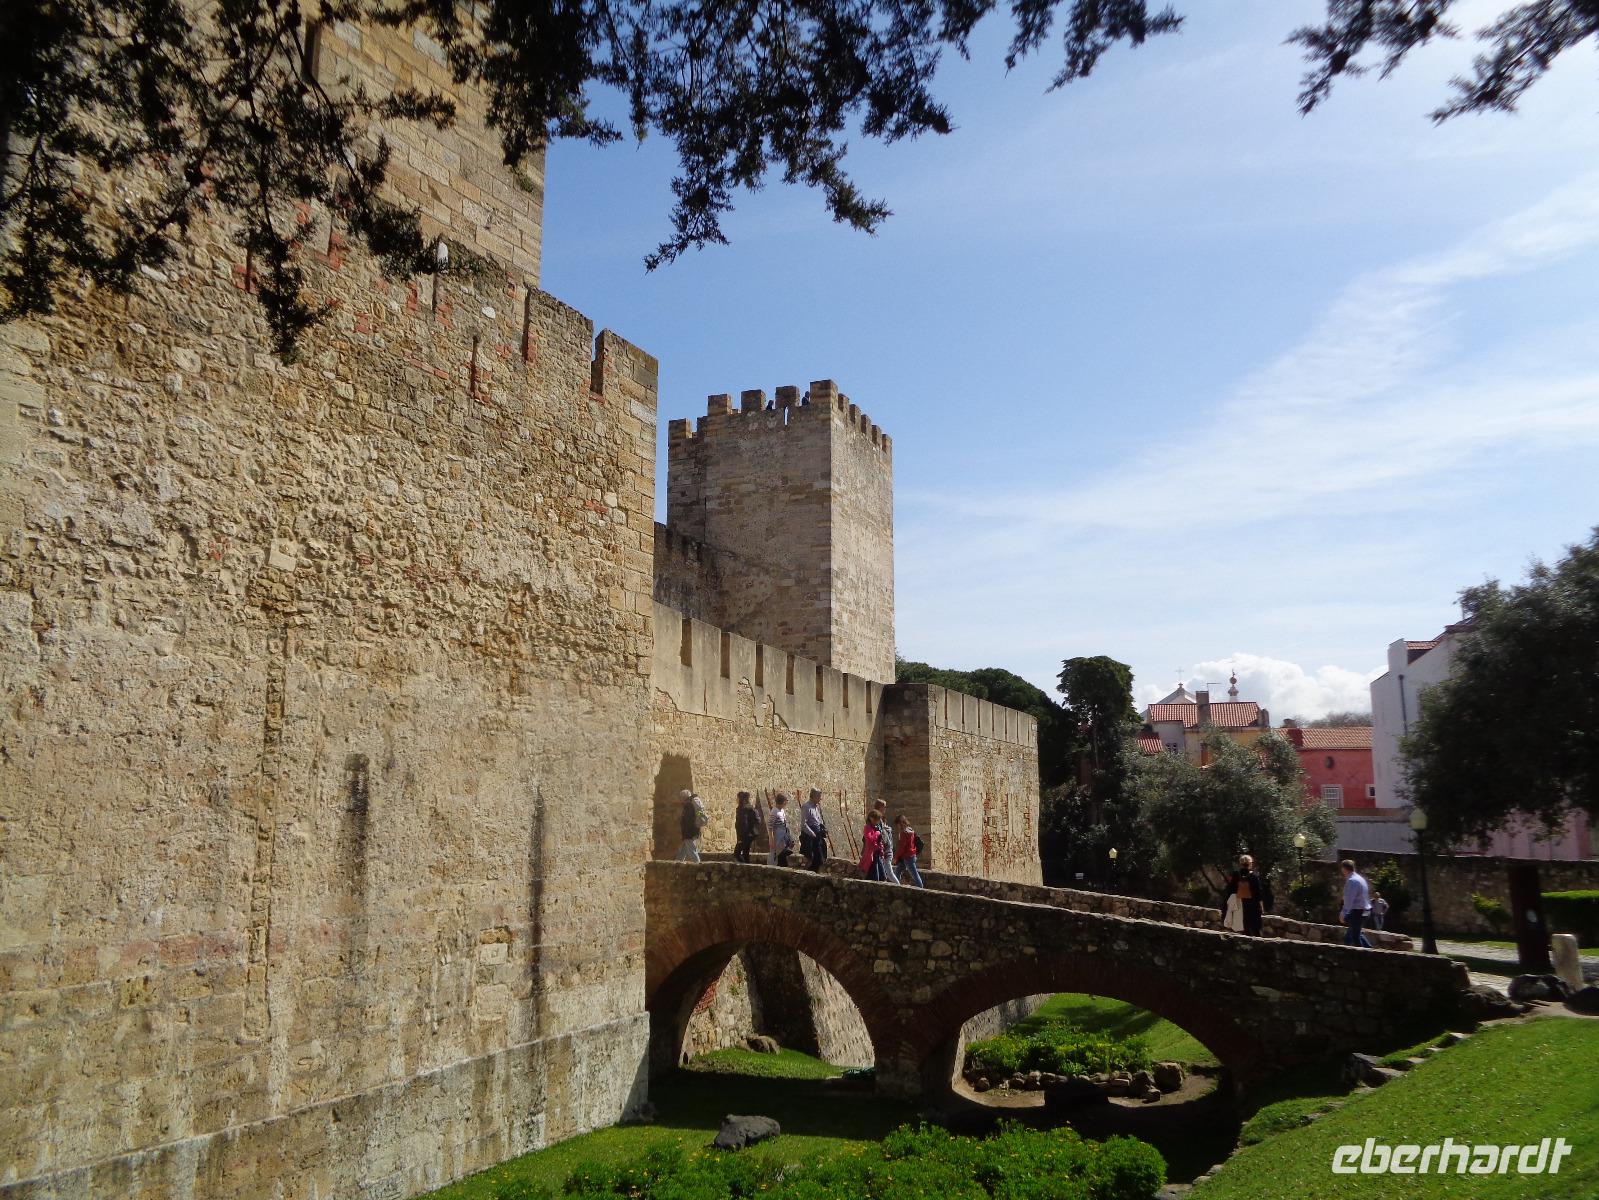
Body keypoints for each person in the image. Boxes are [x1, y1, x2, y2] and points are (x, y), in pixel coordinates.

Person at [1224, 854, 1265, 936]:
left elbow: (1230, 890)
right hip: (1252, 905)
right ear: (1250, 863)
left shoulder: (1236, 875)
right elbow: (1258, 893)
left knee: (1244, 929)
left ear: (1240, 863)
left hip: (1239, 905)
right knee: (1255, 929)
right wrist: (1262, 907)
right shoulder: (1253, 876)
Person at [1340, 859, 1373, 947]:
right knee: (1353, 935)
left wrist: (1343, 913)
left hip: (1357, 911)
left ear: (1344, 869)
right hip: (1365, 910)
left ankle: (1364, 956)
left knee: (1355, 937)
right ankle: (1370, 951)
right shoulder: (1360, 879)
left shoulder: (1352, 881)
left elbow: (1349, 899)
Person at [892, 814, 925, 888]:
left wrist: (896, 858)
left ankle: (921, 889)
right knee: (897, 871)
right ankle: (897, 887)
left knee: (914, 874)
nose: (897, 827)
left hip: (907, 857)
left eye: (898, 824)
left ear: (901, 823)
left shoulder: (904, 833)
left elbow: (902, 848)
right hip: (911, 855)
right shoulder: (910, 830)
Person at [675, 789, 708, 863]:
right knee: (683, 850)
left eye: (681, 798)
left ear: (684, 797)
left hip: (689, 832)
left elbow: (688, 820)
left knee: (692, 851)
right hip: (692, 831)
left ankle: (698, 866)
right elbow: (697, 815)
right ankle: (677, 865)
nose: (680, 800)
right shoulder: (691, 804)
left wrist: (686, 832)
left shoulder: (688, 805)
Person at [800, 789, 829, 871]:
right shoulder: (806, 807)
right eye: (819, 797)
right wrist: (812, 833)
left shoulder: (815, 807)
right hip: (810, 839)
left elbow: (818, 821)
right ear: (814, 796)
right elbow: (803, 824)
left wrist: (823, 828)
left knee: (821, 858)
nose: (820, 799)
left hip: (818, 837)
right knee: (813, 859)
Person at [872, 798, 899, 882]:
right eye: (885, 807)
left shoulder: (881, 819)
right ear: (880, 807)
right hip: (884, 851)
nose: (885, 809)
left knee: (888, 873)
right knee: (887, 873)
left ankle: (898, 887)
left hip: (885, 851)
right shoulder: (878, 819)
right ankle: (898, 887)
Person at [859, 810, 888, 881]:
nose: (878, 822)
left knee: (882, 876)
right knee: (875, 877)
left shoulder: (876, 827)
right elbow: (869, 839)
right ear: (871, 818)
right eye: (877, 819)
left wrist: (882, 853)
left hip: (877, 854)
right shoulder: (867, 827)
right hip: (872, 855)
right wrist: (877, 833)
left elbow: (879, 842)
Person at [733, 791, 760, 864]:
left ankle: (745, 867)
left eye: (737, 798)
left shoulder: (742, 809)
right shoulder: (750, 807)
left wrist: (740, 838)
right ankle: (747, 869)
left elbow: (743, 824)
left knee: (737, 853)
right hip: (751, 834)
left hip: (745, 835)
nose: (736, 800)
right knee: (746, 853)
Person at [767, 792, 794, 866]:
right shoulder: (774, 812)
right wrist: (771, 840)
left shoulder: (781, 811)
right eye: (786, 801)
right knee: (778, 857)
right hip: (777, 839)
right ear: (783, 801)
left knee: (783, 857)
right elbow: (770, 827)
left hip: (783, 839)